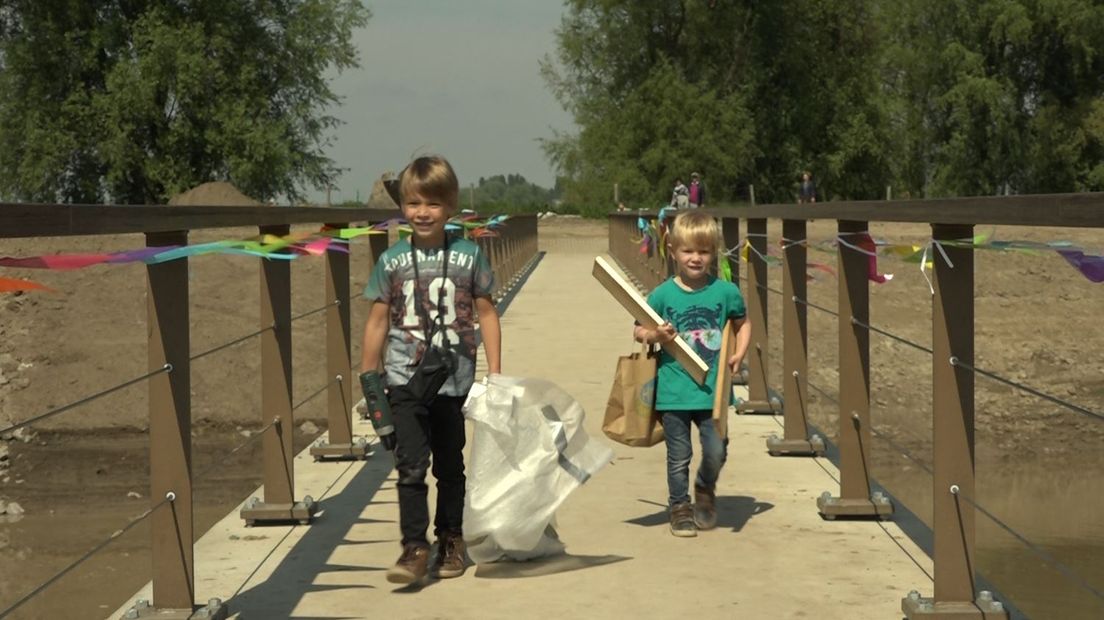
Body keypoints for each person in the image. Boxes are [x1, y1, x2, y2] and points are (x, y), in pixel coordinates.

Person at [359, 155, 502, 584]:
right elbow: (378, 319)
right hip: (404, 379)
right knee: (410, 466)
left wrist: (494, 374)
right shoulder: (391, 261)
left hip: (454, 379)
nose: (423, 212)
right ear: (402, 206)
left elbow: (487, 313)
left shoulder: (469, 255)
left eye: (433, 204)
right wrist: (370, 377)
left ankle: (451, 538)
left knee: (449, 465)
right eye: (414, 203)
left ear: (451, 207)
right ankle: (414, 548)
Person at [633, 210, 751, 537]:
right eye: (688, 251)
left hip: (713, 391)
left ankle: (704, 487)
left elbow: (743, 325)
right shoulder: (662, 295)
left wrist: (739, 353)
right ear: (672, 252)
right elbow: (639, 330)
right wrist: (655, 335)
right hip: (674, 390)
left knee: (717, 449)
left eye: (703, 251)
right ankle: (679, 507)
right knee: (678, 455)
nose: (696, 258)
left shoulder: (726, 293)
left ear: (714, 252)